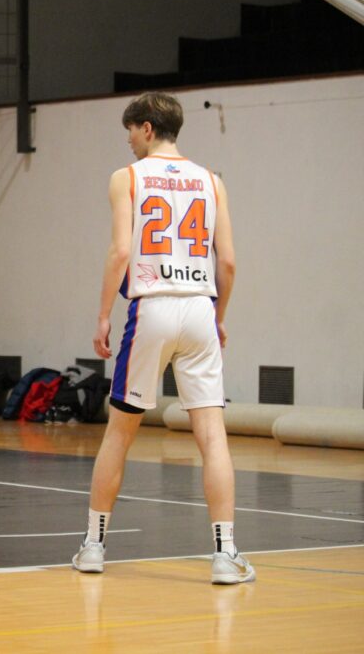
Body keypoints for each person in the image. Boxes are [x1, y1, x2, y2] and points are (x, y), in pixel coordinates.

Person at [72, 92, 254, 584]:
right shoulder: (212, 181)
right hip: (199, 307)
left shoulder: (127, 177)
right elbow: (228, 262)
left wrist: (103, 316)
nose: (128, 140)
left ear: (148, 128)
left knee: (119, 432)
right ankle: (225, 555)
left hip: (151, 306)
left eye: (131, 130)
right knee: (212, 437)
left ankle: (93, 547)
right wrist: (219, 316)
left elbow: (119, 252)